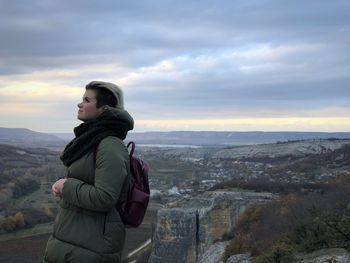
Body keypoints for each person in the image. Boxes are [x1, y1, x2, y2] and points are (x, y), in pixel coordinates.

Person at [44, 81, 134, 263]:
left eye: (86, 100)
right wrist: (64, 185)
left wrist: (67, 186)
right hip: (74, 241)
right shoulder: (92, 140)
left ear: (103, 109)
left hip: (91, 248)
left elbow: (105, 197)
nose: (80, 104)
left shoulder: (109, 146)